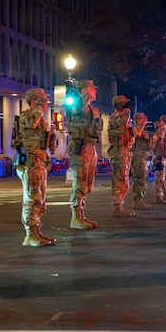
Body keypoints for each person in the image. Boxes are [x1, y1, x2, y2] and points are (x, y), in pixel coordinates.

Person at [12, 87, 56, 246]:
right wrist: (37, 109)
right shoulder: (26, 116)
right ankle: (30, 234)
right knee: (32, 198)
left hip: (39, 161)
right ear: (33, 101)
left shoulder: (41, 119)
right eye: (42, 99)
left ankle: (36, 230)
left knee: (40, 199)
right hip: (29, 162)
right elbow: (31, 123)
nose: (46, 103)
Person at [67, 80, 103, 228]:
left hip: (90, 147)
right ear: (83, 91)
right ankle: (75, 217)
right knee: (79, 182)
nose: (95, 92)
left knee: (87, 184)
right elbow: (75, 119)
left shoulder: (92, 110)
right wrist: (82, 100)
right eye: (91, 90)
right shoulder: (77, 106)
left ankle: (81, 214)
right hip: (79, 147)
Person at [106, 94, 134, 217]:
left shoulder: (124, 118)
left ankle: (120, 205)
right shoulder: (116, 117)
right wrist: (126, 112)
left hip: (124, 152)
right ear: (119, 105)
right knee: (119, 180)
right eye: (124, 103)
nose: (127, 105)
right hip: (118, 153)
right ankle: (117, 207)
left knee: (124, 180)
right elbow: (121, 122)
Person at [129, 112, 153, 210]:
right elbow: (136, 134)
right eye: (143, 118)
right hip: (137, 157)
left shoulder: (144, 131)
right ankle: (136, 200)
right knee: (138, 179)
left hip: (143, 157)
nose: (145, 120)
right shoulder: (134, 128)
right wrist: (142, 125)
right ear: (138, 120)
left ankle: (140, 199)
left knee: (143, 179)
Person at [152, 115, 166, 203]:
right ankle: (158, 196)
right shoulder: (158, 134)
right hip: (160, 158)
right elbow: (154, 147)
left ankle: (165, 192)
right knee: (159, 178)